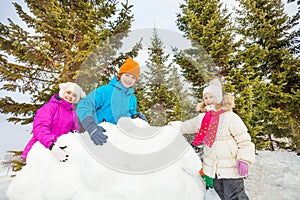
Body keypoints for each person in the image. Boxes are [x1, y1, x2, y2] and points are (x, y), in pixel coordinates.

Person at [169, 78, 255, 200]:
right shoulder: (203, 118)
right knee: (223, 195)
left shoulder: (230, 117)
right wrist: (171, 127)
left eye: (211, 97)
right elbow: (186, 126)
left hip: (231, 168)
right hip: (213, 170)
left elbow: (244, 141)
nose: (208, 100)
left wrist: (244, 160)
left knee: (236, 196)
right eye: (206, 98)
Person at [76, 57, 147, 146]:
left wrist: (137, 119)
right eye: (127, 75)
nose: (129, 80)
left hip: (121, 142)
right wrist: (91, 126)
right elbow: (84, 104)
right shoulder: (105, 91)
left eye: (133, 77)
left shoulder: (132, 98)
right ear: (120, 75)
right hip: (101, 137)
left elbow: (129, 118)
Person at [21, 82, 86, 162]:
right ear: (63, 92)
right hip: (39, 149)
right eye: (68, 92)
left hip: (58, 152)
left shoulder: (73, 114)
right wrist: (51, 144)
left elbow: (76, 131)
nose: (70, 97)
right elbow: (40, 127)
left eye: (74, 95)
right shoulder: (50, 107)